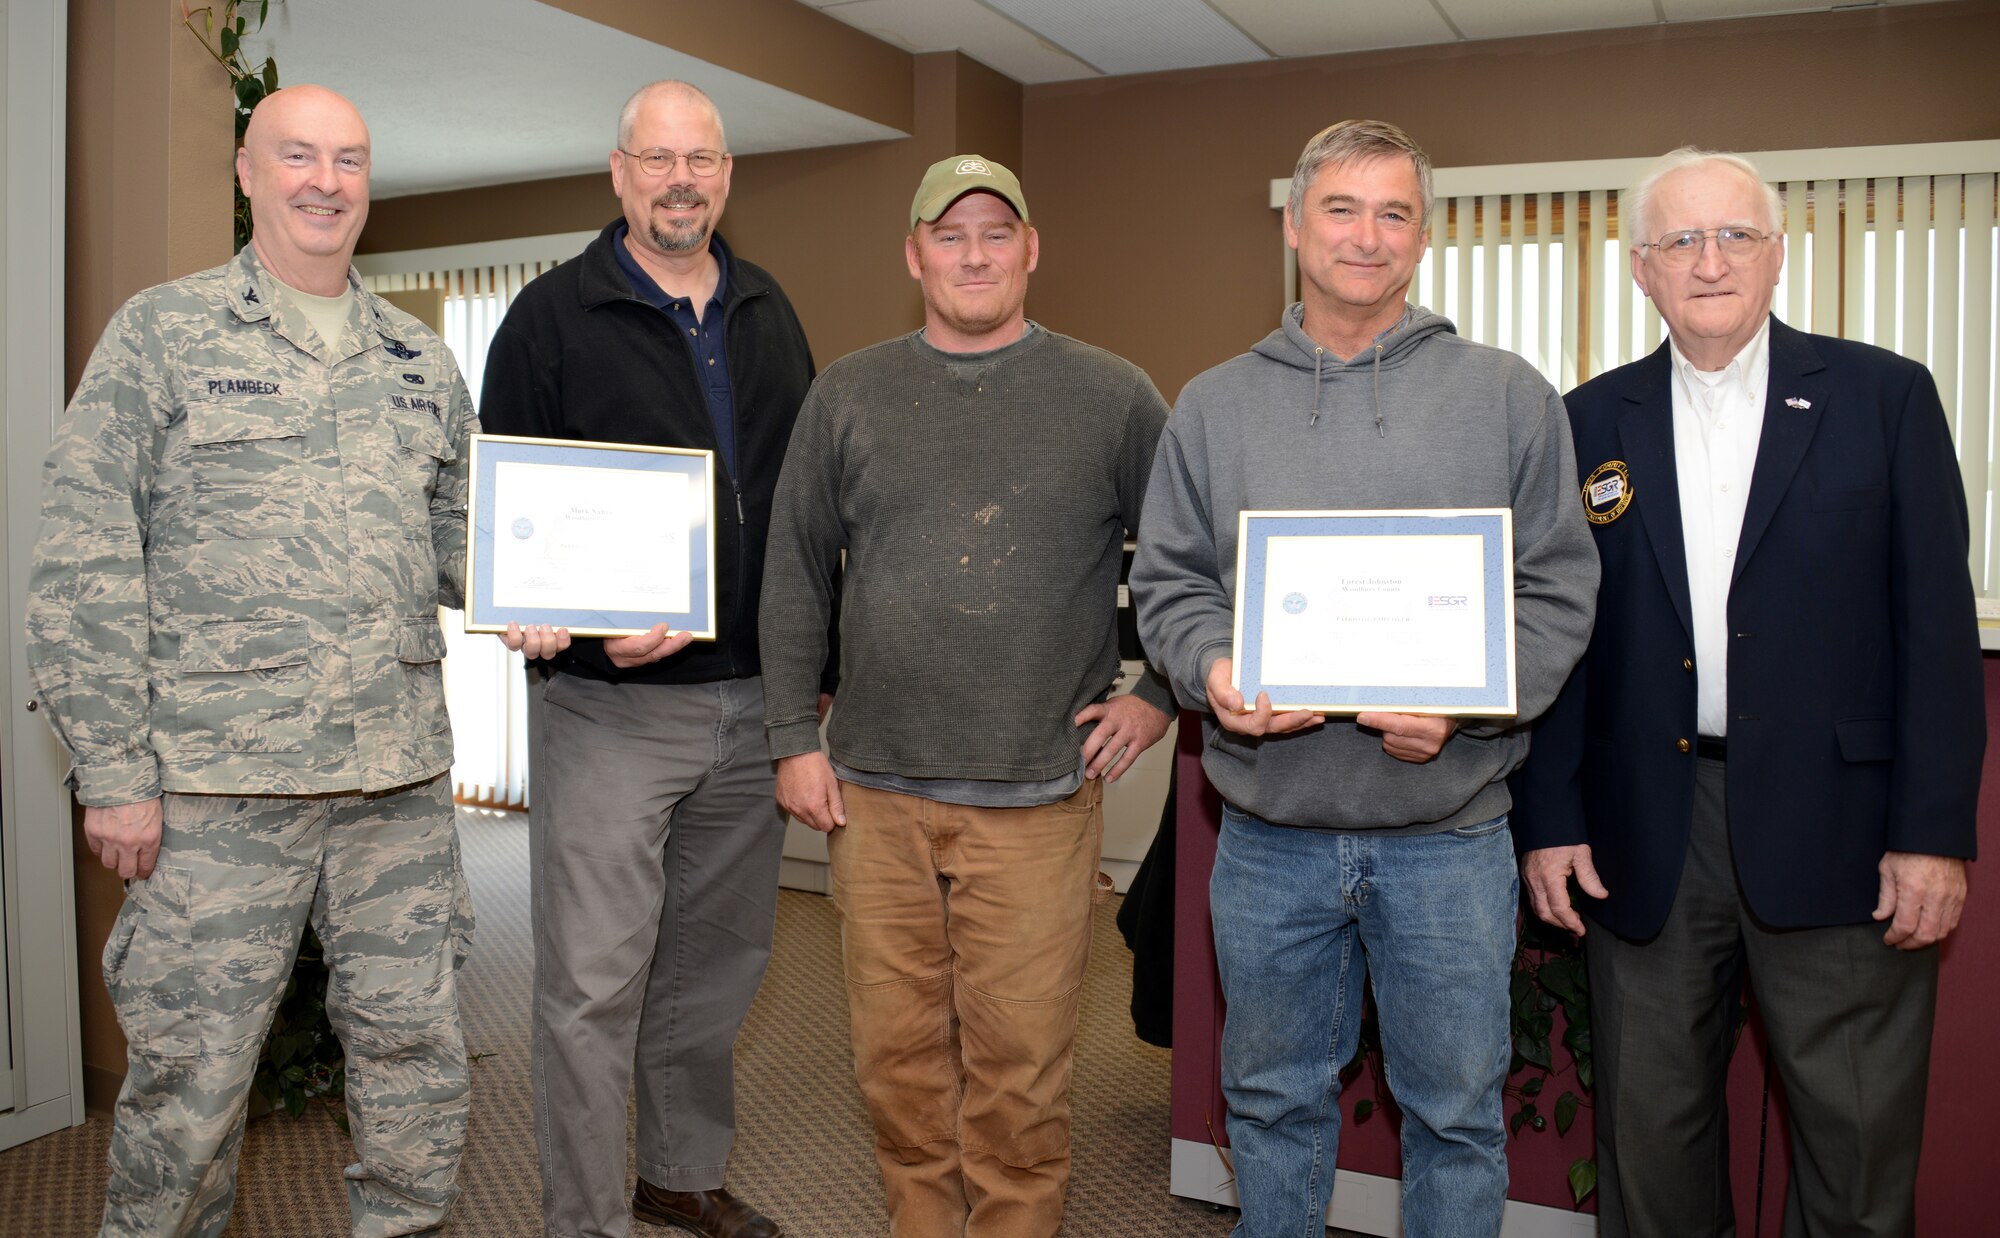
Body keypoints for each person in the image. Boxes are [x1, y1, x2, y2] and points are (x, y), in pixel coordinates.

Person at [1129, 119, 1598, 1237]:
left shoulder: (1505, 395)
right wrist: (1210, 665)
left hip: (1445, 834)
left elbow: (1555, 590)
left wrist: (1467, 697)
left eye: (1393, 212)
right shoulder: (1214, 403)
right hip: (1268, 831)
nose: (1365, 235)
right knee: (1271, 1102)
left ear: (1423, 235)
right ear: (1293, 224)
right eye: (1339, 208)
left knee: (1453, 1115)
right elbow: (1170, 581)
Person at [26, 86, 475, 1237]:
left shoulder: (419, 358)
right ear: (246, 170)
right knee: (190, 1087)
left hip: (396, 787)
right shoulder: (163, 333)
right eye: (298, 156)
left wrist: (575, 600)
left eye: (349, 159)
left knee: (417, 1065)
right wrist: (113, 767)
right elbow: (84, 549)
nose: (326, 180)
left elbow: (464, 542)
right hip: (218, 790)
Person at [1511, 147, 1983, 1237]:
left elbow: (1933, 631)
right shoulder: (1583, 421)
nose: (1707, 259)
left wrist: (1930, 833)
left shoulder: (1883, 396)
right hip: (1648, 831)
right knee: (1649, 1134)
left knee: (1854, 1138)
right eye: (1679, 240)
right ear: (1640, 269)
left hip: (1843, 827)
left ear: (1776, 254)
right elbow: (1559, 637)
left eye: (1733, 235)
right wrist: (1550, 819)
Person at [757, 153, 1175, 1237]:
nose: (974, 253)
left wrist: (1160, 692)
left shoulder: (1111, 391)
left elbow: (1190, 556)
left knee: (1018, 1074)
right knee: (895, 1063)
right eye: (950, 235)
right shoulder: (847, 390)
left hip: (1035, 798)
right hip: (873, 796)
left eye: (997, 232)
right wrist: (789, 737)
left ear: (1031, 249)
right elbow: (795, 569)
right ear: (914, 254)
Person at [480, 80, 817, 1238]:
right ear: (618, 172)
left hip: (751, 695)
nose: (683, 179)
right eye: (658, 158)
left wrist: (808, 675)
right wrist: (568, 617)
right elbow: (511, 516)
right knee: (591, 984)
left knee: (712, 968)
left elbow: (794, 509)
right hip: (610, 708)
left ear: (726, 173)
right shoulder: (547, 318)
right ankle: (583, 1218)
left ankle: (677, 1170)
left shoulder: (769, 306)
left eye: (704, 159)